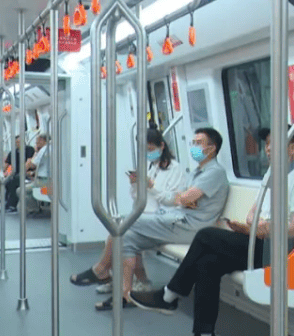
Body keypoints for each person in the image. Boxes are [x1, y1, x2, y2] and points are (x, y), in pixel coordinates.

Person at [130, 126, 294, 336]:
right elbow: (253, 213)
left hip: (276, 248)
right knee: (207, 263)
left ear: (292, 148)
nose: (268, 149)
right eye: (267, 144)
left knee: (206, 235)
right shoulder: (271, 175)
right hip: (256, 238)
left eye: (275, 143)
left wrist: (264, 228)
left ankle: (169, 295)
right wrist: (251, 225)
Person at [70, 127, 228, 312]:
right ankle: (125, 295)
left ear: (212, 148)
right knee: (127, 239)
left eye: (198, 143)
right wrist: (183, 199)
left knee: (122, 224)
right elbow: (182, 199)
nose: (194, 146)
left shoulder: (215, 172)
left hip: (192, 226)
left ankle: (101, 269)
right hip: (179, 219)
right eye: (193, 142)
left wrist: (182, 198)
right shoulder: (196, 173)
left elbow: (183, 199)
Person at [92, 129, 188, 300]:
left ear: (161, 146)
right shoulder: (149, 166)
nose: (147, 153)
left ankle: (106, 272)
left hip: (165, 219)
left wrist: (151, 186)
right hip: (146, 215)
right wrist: (135, 185)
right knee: (118, 233)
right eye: (144, 150)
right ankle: (118, 277)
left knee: (122, 233)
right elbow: (138, 198)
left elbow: (173, 201)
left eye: (150, 149)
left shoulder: (175, 169)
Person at [0, 136, 34, 212]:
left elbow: (28, 163)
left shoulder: (29, 149)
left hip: (25, 173)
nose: (18, 144)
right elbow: (7, 165)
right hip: (14, 173)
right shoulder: (13, 152)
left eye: (19, 142)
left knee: (14, 180)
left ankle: (12, 205)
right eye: (16, 142)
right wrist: (4, 173)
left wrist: (21, 172)